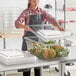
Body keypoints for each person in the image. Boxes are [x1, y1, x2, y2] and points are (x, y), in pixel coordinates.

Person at [15, 0, 64, 76]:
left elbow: (52, 19)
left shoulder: (42, 12)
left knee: (39, 66)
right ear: (29, 1)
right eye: (34, 1)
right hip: (28, 42)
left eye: (37, 1)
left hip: (39, 42)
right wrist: (24, 26)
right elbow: (17, 23)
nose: (36, 3)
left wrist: (59, 26)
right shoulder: (26, 12)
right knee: (27, 65)